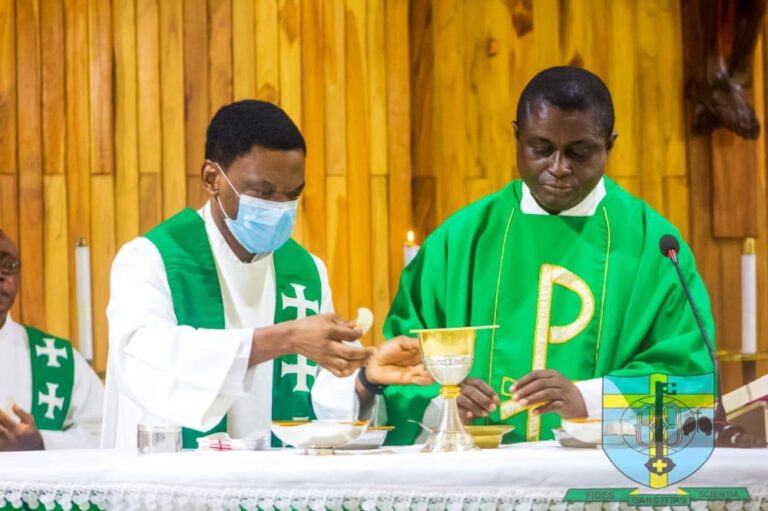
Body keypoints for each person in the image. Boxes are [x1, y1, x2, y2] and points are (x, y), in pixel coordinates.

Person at [381, 66, 715, 445]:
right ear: (516, 137)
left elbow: (688, 375)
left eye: (579, 152)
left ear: (610, 145)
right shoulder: (460, 240)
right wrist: (445, 402)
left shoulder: (653, 248)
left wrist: (588, 400)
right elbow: (400, 362)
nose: (558, 168)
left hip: (600, 480)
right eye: (541, 149)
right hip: (477, 476)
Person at [101, 100, 429, 449]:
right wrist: (283, 339)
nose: (279, 208)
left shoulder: (306, 272)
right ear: (213, 178)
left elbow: (322, 400)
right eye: (262, 192)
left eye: (293, 195)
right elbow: (145, 362)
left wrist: (366, 377)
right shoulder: (150, 259)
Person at [0, 230, 103, 450]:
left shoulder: (56, 358)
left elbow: (103, 435)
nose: (2, 275)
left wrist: (42, 442)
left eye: (9, 265)